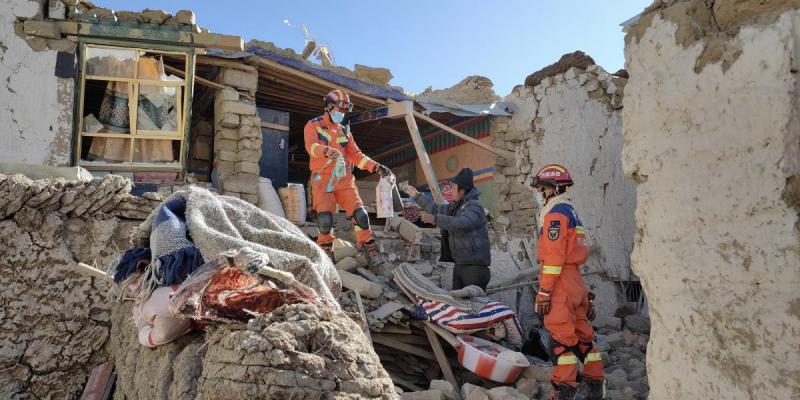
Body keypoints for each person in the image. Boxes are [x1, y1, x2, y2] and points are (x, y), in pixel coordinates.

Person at [531, 164, 605, 400]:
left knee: (562, 342)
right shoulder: (572, 211)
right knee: (584, 337)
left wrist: (544, 292)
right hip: (576, 282)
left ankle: (564, 390)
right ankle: (596, 386)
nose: (540, 192)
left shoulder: (554, 214)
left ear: (552, 188)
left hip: (560, 283)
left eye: (542, 187)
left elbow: (554, 257)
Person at [304, 89, 392, 266]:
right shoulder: (312, 125)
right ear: (329, 106)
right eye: (339, 109)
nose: (342, 114)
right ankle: (325, 251)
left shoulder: (345, 132)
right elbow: (311, 147)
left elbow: (356, 155)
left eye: (344, 111)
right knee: (325, 219)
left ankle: (368, 247)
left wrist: (376, 167)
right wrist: (328, 151)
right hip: (323, 178)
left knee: (361, 215)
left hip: (344, 179)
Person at [404, 168, 491, 290]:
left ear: (462, 190)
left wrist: (436, 219)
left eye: (453, 188)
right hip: (460, 265)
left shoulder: (474, 207)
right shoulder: (455, 207)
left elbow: (463, 223)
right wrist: (417, 196)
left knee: (473, 306)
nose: (451, 191)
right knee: (458, 305)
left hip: (475, 268)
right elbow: (435, 209)